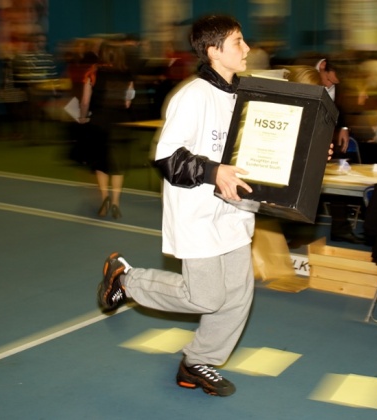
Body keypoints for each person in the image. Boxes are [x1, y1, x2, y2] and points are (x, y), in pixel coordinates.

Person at [96, 15, 254, 398]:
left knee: (238, 297)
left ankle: (198, 362)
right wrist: (214, 171)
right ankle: (125, 279)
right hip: (198, 215)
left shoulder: (246, 94)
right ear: (214, 51)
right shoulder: (193, 96)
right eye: (237, 42)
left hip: (235, 212)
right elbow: (168, 158)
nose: (246, 48)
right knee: (205, 297)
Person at [79, 42, 135, 219]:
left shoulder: (92, 73)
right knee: (118, 165)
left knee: (100, 163)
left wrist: (82, 116)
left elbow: (85, 101)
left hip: (99, 122)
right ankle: (116, 202)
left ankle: (105, 199)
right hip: (119, 122)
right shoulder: (127, 74)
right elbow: (128, 100)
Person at [316, 58, 364, 243]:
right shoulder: (303, 71)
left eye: (333, 84)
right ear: (322, 67)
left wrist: (344, 127)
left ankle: (340, 229)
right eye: (328, 80)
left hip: (329, 137)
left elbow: (342, 105)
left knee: (338, 179)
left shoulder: (339, 80)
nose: (329, 85)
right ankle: (296, 233)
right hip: (303, 136)